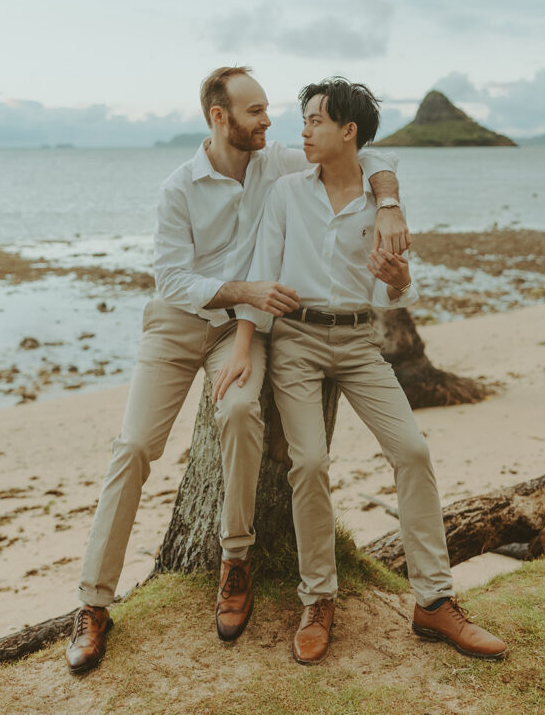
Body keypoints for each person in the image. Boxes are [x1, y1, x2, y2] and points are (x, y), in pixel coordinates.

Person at [65, 65, 408, 674]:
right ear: (220, 118)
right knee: (134, 447)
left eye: (271, 110)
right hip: (175, 323)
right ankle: (93, 605)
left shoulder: (273, 163)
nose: (269, 122)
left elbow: (366, 151)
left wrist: (388, 202)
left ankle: (235, 560)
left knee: (244, 411)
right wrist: (245, 286)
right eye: (256, 112)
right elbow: (171, 278)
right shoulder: (179, 187)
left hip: (236, 331)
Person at [218, 77, 509, 666]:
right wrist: (244, 344)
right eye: (303, 120)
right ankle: (318, 601)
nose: (304, 130)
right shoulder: (286, 193)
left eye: (316, 121)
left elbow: (392, 293)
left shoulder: (382, 205)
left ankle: (433, 600)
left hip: (358, 341)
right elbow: (259, 268)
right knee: (311, 462)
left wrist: (398, 278)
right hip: (295, 340)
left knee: (413, 452)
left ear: (348, 132)